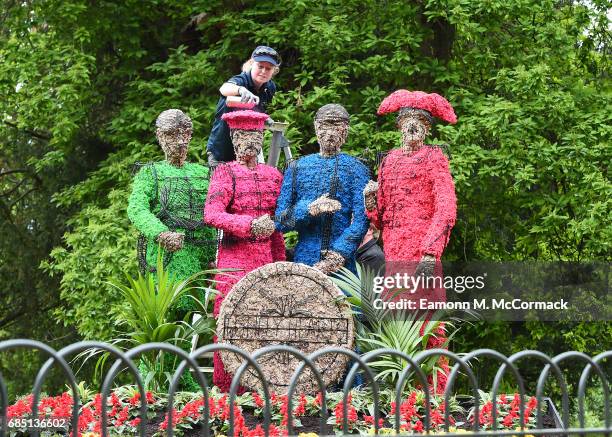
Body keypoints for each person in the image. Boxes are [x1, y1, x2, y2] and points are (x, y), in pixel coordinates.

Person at [363, 89, 458, 393]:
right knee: (397, 321)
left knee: (428, 323)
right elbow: (379, 217)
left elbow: (446, 206)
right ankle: (400, 393)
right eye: (407, 120)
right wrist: (370, 202)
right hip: (394, 252)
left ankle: (435, 394)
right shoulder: (388, 161)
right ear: (399, 126)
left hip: (421, 253)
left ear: (428, 128)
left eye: (419, 121)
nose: (413, 126)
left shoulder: (435, 158)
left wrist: (431, 252)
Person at [204, 109, 286, 392]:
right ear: (234, 139)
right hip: (233, 261)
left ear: (262, 138)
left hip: (266, 261)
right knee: (231, 323)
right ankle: (227, 392)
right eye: (242, 136)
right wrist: (248, 224)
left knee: (269, 325)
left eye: (255, 135)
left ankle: (265, 390)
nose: (249, 141)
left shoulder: (274, 175)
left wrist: (281, 265)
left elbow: (278, 225)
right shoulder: (225, 172)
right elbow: (212, 214)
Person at [127, 109, 217, 312]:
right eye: (171, 134)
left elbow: (211, 215)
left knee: (201, 315)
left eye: (184, 134)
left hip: (202, 257)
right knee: (174, 309)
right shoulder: (151, 173)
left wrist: (214, 254)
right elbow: (137, 209)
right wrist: (161, 233)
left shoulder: (203, 173)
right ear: (160, 136)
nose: (179, 141)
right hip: (168, 257)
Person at [275, 103, 370, 274]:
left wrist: (338, 255)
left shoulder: (357, 169)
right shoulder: (297, 168)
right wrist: (309, 209)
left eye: (337, 127)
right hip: (305, 258)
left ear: (345, 130)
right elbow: (280, 222)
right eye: (325, 127)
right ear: (316, 128)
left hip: (342, 264)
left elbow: (361, 220)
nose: (331, 133)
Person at [206, 46, 281, 166]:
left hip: (248, 153)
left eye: (268, 68)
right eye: (260, 66)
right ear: (252, 64)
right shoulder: (241, 80)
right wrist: (240, 90)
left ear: (274, 71)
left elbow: (257, 111)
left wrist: (264, 118)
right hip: (222, 150)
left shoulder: (270, 88)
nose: (263, 71)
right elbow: (224, 88)